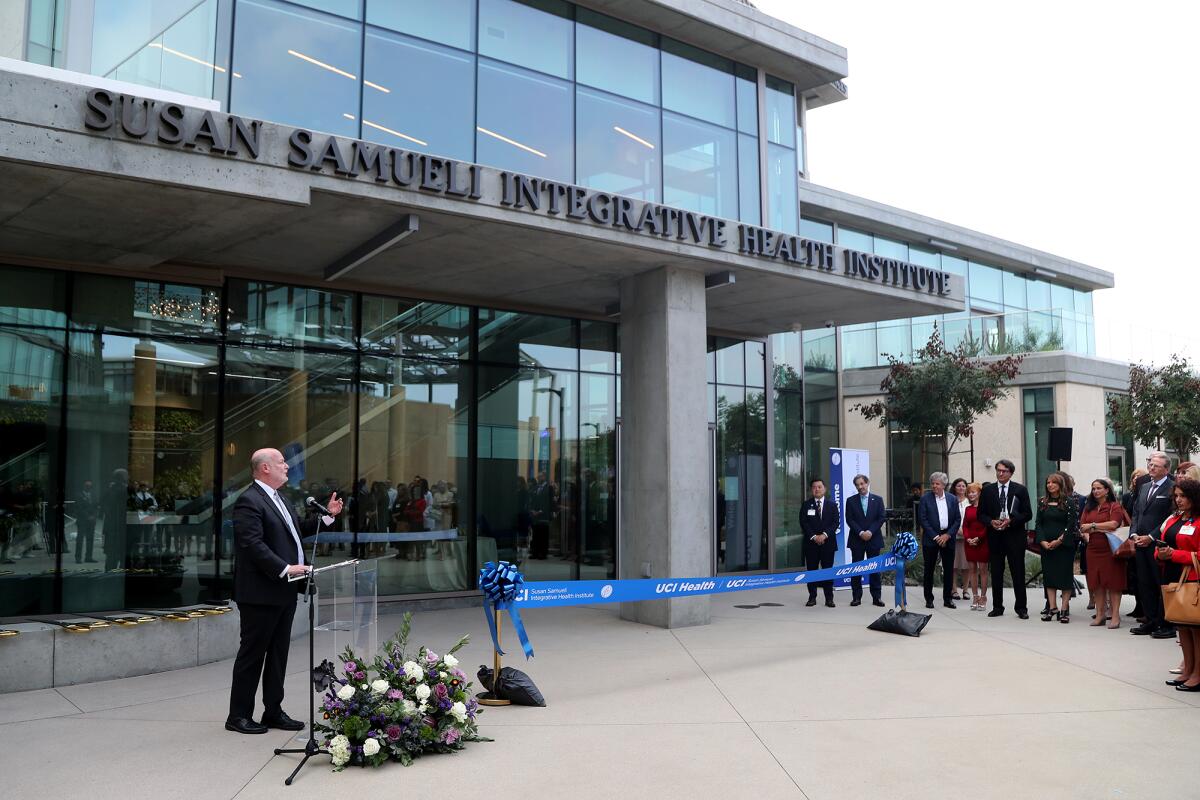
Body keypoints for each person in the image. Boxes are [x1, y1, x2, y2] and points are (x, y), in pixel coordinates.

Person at [226, 448, 342, 736]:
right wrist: (285, 568)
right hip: (260, 593)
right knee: (252, 655)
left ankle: (273, 710)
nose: (287, 467)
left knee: (278, 654)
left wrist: (327, 517)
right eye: (281, 462)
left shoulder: (280, 499)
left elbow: (296, 531)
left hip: (283, 591)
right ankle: (238, 715)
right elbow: (252, 544)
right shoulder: (249, 501)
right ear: (265, 467)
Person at [1155, 478, 1200, 690]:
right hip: (1172, 576)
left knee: (1196, 628)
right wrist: (1161, 554)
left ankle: (1198, 674)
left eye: (1183, 496)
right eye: (1176, 496)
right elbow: (1162, 542)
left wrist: (1175, 555)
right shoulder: (1175, 518)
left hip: (1193, 578)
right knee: (1182, 626)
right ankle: (1188, 669)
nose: (1179, 500)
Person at [977, 459, 1034, 619]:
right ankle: (997, 607)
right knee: (996, 573)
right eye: (998, 470)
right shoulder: (988, 490)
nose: (1000, 473)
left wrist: (1012, 521)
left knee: (1018, 572)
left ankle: (1021, 608)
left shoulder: (1020, 490)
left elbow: (1028, 513)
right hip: (995, 537)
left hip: (1015, 536)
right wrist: (991, 522)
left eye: (1004, 471)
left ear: (1011, 473)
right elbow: (980, 514)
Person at [1130, 452, 1176, 639]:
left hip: (1158, 544)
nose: (1151, 468)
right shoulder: (1144, 486)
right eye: (1150, 465)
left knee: (1160, 583)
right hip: (1140, 543)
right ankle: (1150, 620)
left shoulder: (1172, 488)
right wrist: (1134, 534)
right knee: (1144, 583)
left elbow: (1170, 518)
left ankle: (1166, 623)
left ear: (1166, 469)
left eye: (1156, 466)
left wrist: (1151, 536)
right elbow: (1136, 512)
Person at [1081, 478, 1129, 628]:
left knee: (1113, 583)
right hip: (1093, 548)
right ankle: (1100, 615)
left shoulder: (1114, 506)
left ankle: (1115, 616)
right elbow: (1082, 527)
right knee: (1096, 583)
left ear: (1107, 490)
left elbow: (1114, 524)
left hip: (1111, 548)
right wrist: (1099, 527)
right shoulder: (1088, 507)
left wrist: (1093, 525)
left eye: (1099, 488)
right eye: (1093, 488)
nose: (1095, 491)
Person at [1035, 473, 1079, 622]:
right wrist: (1042, 541)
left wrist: (1059, 540)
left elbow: (1070, 524)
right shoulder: (1042, 502)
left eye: (1053, 482)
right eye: (1048, 483)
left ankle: (1064, 608)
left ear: (1060, 485)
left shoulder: (1069, 502)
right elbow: (1038, 524)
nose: (1050, 485)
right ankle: (1052, 608)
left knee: (1065, 577)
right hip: (1046, 546)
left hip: (1064, 546)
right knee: (1050, 577)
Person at [917, 472, 961, 609]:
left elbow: (957, 519)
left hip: (948, 537)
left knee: (948, 569)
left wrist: (947, 535)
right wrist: (936, 537)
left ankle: (948, 599)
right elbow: (922, 519)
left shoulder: (952, 499)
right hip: (931, 538)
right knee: (929, 569)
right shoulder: (925, 499)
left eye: (937, 483)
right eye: (933, 483)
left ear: (944, 485)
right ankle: (928, 599)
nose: (934, 486)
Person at [844, 473, 886, 607]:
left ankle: (876, 597)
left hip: (874, 539)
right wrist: (861, 532)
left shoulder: (878, 500)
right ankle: (856, 597)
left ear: (867, 483)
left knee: (875, 570)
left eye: (862, 483)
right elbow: (849, 519)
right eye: (857, 485)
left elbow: (881, 518)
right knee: (856, 569)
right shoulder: (850, 501)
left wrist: (870, 531)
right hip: (857, 539)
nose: (860, 487)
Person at [800, 478, 840, 608]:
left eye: (819, 487)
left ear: (824, 489)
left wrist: (824, 535)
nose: (817, 489)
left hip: (828, 544)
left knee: (828, 571)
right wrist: (813, 536)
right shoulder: (806, 505)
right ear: (811, 490)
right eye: (814, 487)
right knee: (812, 572)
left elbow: (835, 523)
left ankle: (829, 598)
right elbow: (803, 522)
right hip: (811, 545)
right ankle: (812, 597)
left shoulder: (832, 505)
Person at [1122, 468, 1149, 620]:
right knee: (1134, 575)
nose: (1136, 479)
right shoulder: (1128, 496)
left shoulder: (1144, 493)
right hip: (1133, 536)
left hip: (1144, 537)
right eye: (1134, 477)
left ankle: (1145, 609)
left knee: (1143, 576)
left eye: (1139, 477)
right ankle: (1138, 606)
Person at [962, 482, 990, 610]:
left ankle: (983, 598)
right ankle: (974, 596)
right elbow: (965, 526)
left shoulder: (986, 509)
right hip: (969, 543)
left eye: (974, 492)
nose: (971, 494)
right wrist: (968, 538)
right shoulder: (968, 509)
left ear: (979, 493)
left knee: (983, 570)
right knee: (972, 570)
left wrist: (978, 538)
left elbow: (987, 526)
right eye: (969, 492)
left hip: (983, 541)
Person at [950, 478, 970, 600]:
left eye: (963, 486)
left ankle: (966, 590)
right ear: (954, 487)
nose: (961, 488)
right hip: (953, 536)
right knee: (954, 565)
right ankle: (954, 590)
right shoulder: (951, 500)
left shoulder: (969, 501)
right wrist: (957, 530)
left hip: (967, 538)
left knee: (967, 566)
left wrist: (967, 533)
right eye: (959, 486)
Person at [74, 479, 99, 564]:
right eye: (87, 486)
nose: (88, 487)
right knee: (80, 539)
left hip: (91, 520)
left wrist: (94, 516)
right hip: (82, 520)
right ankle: (78, 557)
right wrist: (88, 516)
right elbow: (79, 508)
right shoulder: (78, 495)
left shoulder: (93, 495)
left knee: (90, 539)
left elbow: (96, 506)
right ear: (84, 486)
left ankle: (88, 557)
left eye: (90, 486)